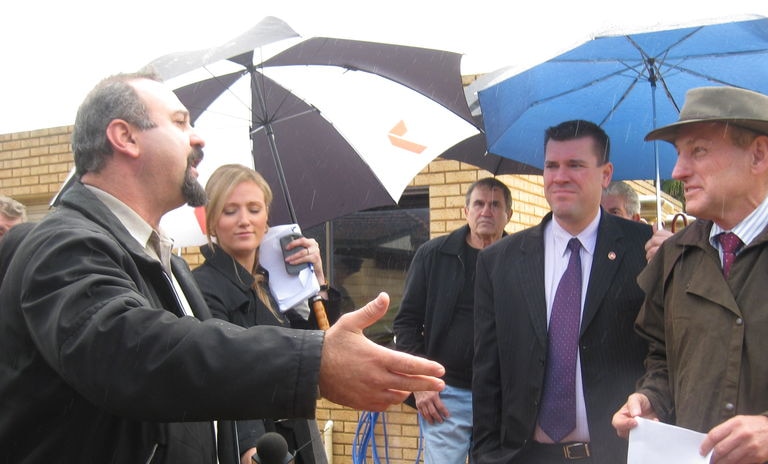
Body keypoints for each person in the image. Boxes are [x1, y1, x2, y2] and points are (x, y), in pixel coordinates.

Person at [0, 71, 444, 463]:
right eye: (179, 122)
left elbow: (204, 393)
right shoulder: (62, 242)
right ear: (125, 137)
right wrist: (314, 362)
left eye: (255, 208)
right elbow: (129, 349)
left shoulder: (167, 264)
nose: (198, 138)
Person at [612, 86, 768, 463]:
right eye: (679, 154)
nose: (678, 171)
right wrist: (652, 400)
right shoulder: (674, 256)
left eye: (698, 151)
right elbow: (663, 359)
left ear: (759, 154)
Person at [472, 120, 652, 463]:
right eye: (551, 165)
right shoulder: (500, 263)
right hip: (526, 456)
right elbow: (487, 375)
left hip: (616, 454)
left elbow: (663, 356)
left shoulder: (643, 252)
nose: (560, 176)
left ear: (605, 173)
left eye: (576, 165)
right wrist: (484, 456)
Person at [192, 164, 340, 464]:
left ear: (266, 218)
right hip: (261, 445)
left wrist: (318, 284)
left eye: (254, 209)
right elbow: (225, 374)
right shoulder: (203, 287)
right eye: (230, 211)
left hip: (298, 435)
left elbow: (314, 349)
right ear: (211, 223)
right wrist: (250, 450)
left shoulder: (268, 283)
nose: (244, 220)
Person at [394, 177, 513, 464]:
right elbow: (406, 323)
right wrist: (419, 382)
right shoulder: (433, 255)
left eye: (496, 205)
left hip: (502, 399)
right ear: (466, 211)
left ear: (509, 214)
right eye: (479, 203)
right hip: (446, 396)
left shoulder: (521, 259)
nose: (487, 211)